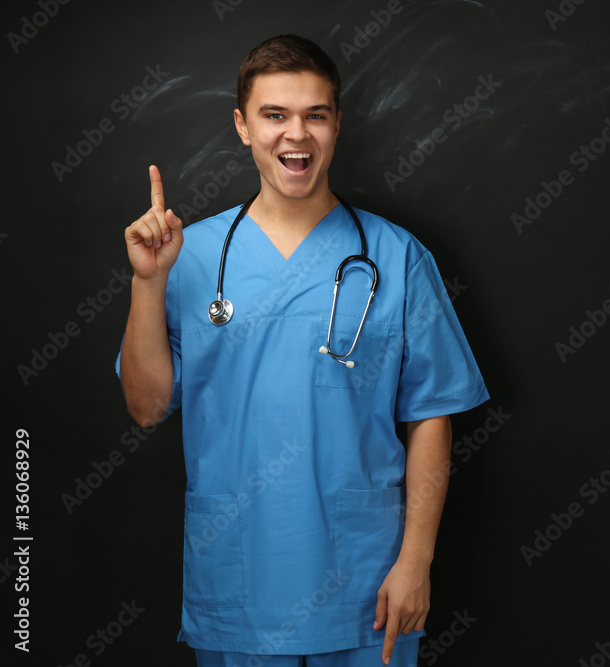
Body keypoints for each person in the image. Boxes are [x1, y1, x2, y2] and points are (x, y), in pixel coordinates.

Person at [115, 34, 489, 667]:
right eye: (275, 115)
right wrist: (148, 282)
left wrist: (417, 560)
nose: (297, 135)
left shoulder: (395, 257)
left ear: (337, 124)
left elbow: (432, 413)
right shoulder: (187, 257)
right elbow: (148, 407)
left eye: (315, 114)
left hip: (367, 584)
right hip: (239, 578)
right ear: (242, 126)